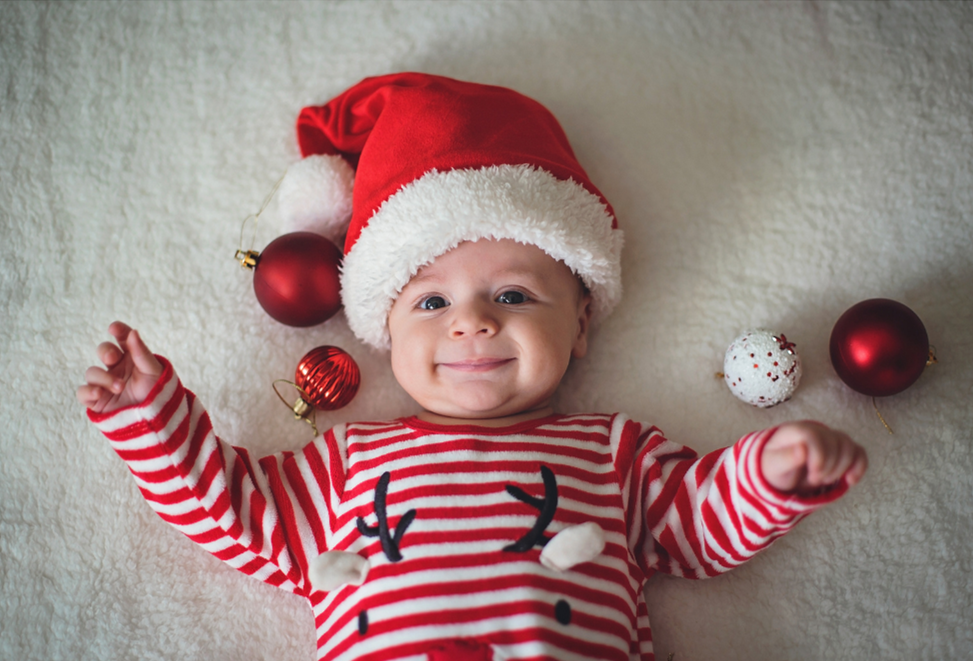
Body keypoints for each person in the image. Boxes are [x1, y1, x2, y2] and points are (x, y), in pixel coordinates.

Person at [78, 74, 867, 661]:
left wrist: (768, 473)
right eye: (429, 304)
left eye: (514, 294)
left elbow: (696, 526)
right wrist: (151, 417)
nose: (472, 321)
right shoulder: (350, 463)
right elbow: (238, 513)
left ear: (581, 321)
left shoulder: (612, 453)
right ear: (382, 328)